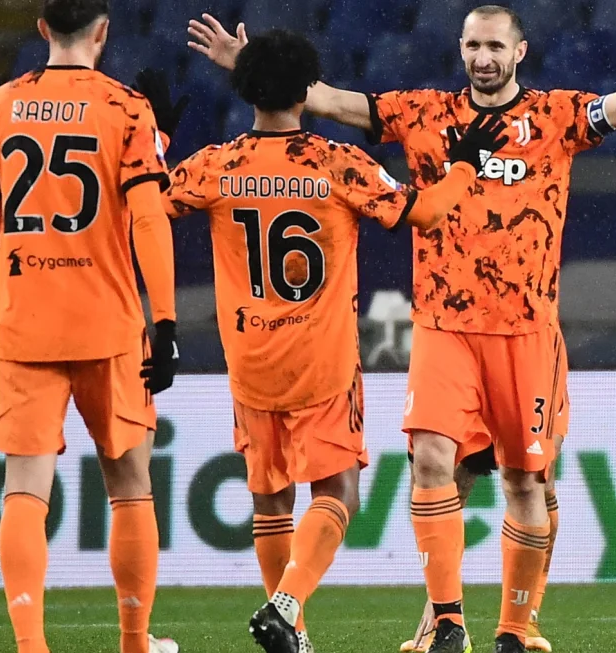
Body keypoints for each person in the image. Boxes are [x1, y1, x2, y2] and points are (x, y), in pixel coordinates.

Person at [188, 4, 616, 652]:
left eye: (495, 46)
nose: (482, 58)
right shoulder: (422, 113)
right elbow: (327, 98)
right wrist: (250, 70)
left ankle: (514, 630)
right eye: (472, 45)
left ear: (519, 52)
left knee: (527, 480)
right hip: (442, 323)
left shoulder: (556, 116)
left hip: (526, 329)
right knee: (431, 463)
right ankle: (447, 623)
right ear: (461, 49)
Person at [146, 28, 509, 653]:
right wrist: (464, 168)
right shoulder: (337, 163)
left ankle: (297, 635)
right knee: (337, 492)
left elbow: (145, 205)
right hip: (321, 358)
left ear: (245, 90)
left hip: (249, 357)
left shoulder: (217, 163)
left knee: (269, 500)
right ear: (307, 91)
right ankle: (287, 605)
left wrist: (153, 141)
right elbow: (421, 213)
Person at [0, 1, 182, 652]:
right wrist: (165, 322)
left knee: (25, 490)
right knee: (130, 483)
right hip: (107, 322)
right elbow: (149, 220)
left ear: (41, 30)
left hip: (24, 319)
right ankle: (134, 642)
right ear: (103, 31)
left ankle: (32, 647)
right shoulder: (126, 108)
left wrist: (25, 268)